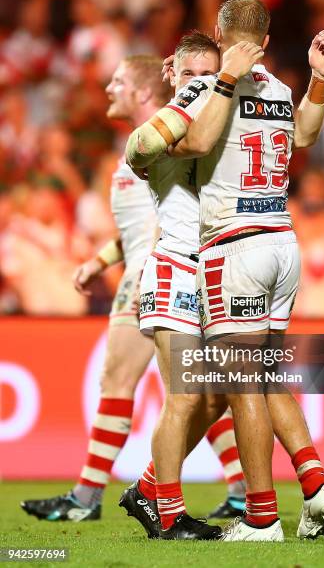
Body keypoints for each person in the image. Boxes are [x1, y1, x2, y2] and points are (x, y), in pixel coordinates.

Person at [126, 0, 324, 542]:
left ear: (222, 37)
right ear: (265, 42)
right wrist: (318, 82)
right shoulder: (276, 89)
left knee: (235, 386)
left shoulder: (207, 90)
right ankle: (309, 484)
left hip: (233, 247)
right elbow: (304, 137)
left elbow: (190, 140)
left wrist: (220, 81)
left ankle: (259, 515)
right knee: (232, 384)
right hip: (271, 243)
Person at [20, 54, 247, 523]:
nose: (108, 88)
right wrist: (98, 261)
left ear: (144, 93)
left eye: (119, 81)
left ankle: (90, 498)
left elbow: (178, 221)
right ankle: (241, 490)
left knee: (128, 383)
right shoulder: (139, 150)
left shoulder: (170, 144)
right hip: (157, 270)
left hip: (156, 277)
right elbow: (139, 228)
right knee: (195, 392)